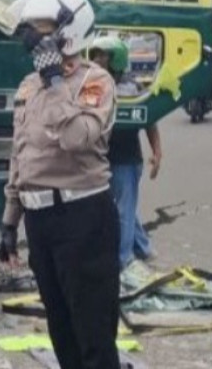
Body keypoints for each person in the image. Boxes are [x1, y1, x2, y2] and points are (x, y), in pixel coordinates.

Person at [0, 0, 119, 369]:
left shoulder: (95, 82)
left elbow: (74, 139)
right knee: (62, 334)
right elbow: (21, 154)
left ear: (69, 32)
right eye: (30, 33)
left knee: (93, 339)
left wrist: (55, 83)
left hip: (83, 216)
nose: (33, 41)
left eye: (42, 31)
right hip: (40, 222)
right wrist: (9, 218)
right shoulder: (27, 86)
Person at [87, 37, 162, 269]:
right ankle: (143, 248)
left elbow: (150, 121)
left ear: (116, 59)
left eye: (104, 56)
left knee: (122, 210)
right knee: (121, 208)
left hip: (127, 161)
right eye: (96, 55)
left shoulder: (131, 88)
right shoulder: (93, 86)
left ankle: (124, 261)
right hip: (103, 159)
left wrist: (157, 153)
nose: (98, 61)